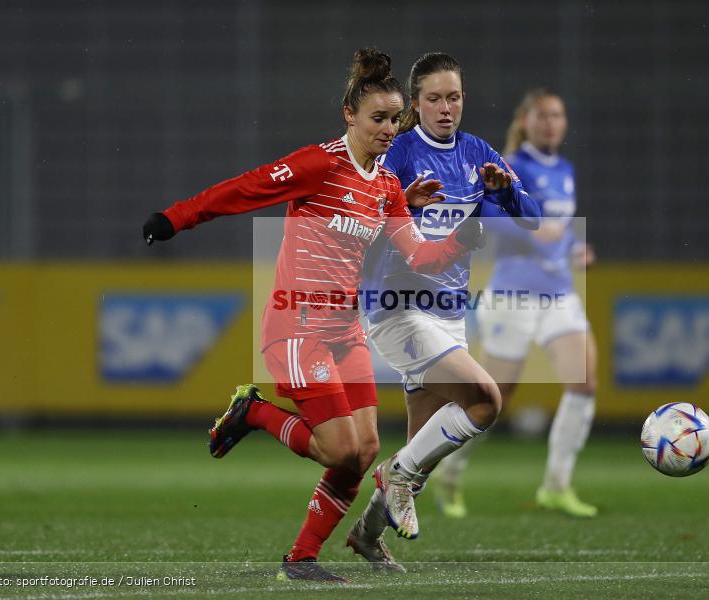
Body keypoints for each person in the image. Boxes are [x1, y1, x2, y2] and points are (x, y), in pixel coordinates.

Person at [141, 48, 483, 583]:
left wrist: (461, 236)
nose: (389, 129)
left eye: (396, 118)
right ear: (350, 115)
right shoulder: (319, 165)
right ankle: (252, 413)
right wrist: (175, 218)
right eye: (378, 118)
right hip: (297, 327)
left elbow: (421, 256)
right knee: (338, 447)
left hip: (344, 331)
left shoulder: (389, 187)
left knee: (365, 450)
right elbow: (245, 189)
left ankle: (300, 560)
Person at [346, 53, 541, 567]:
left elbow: (533, 220)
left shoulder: (477, 153)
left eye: (453, 97)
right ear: (415, 105)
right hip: (398, 307)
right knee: (484, 401)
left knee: (422, 450)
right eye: (433, 98)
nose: (445, 108)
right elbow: (364, 224)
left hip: (449, 312)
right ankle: (393, 476)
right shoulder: (399, 151)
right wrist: (405, 205)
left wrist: (507, 196)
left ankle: (367, 534)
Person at [435, 88, 599, 519]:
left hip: (559, 293)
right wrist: (530, 231)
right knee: (494, 398)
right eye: (543, 115)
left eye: (558, 115)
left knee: (585, 381)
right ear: (525, 121)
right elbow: (485, 216)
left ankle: (556, 485)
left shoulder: (564, 169)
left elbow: (557, 232)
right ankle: (449, 469)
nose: (551, 122)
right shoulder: (511, 166)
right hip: (514, 295)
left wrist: (572, 249)